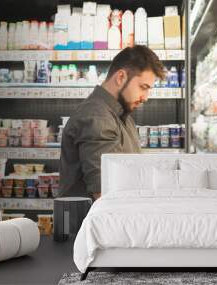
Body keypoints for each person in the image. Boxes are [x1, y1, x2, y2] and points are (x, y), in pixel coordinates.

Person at [59, 45, 166, 200]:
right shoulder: (98, 118)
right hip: (90, 223)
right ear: (121, 77)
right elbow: (106, 194)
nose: (146, 97)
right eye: (143, 87)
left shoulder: (121, 114)